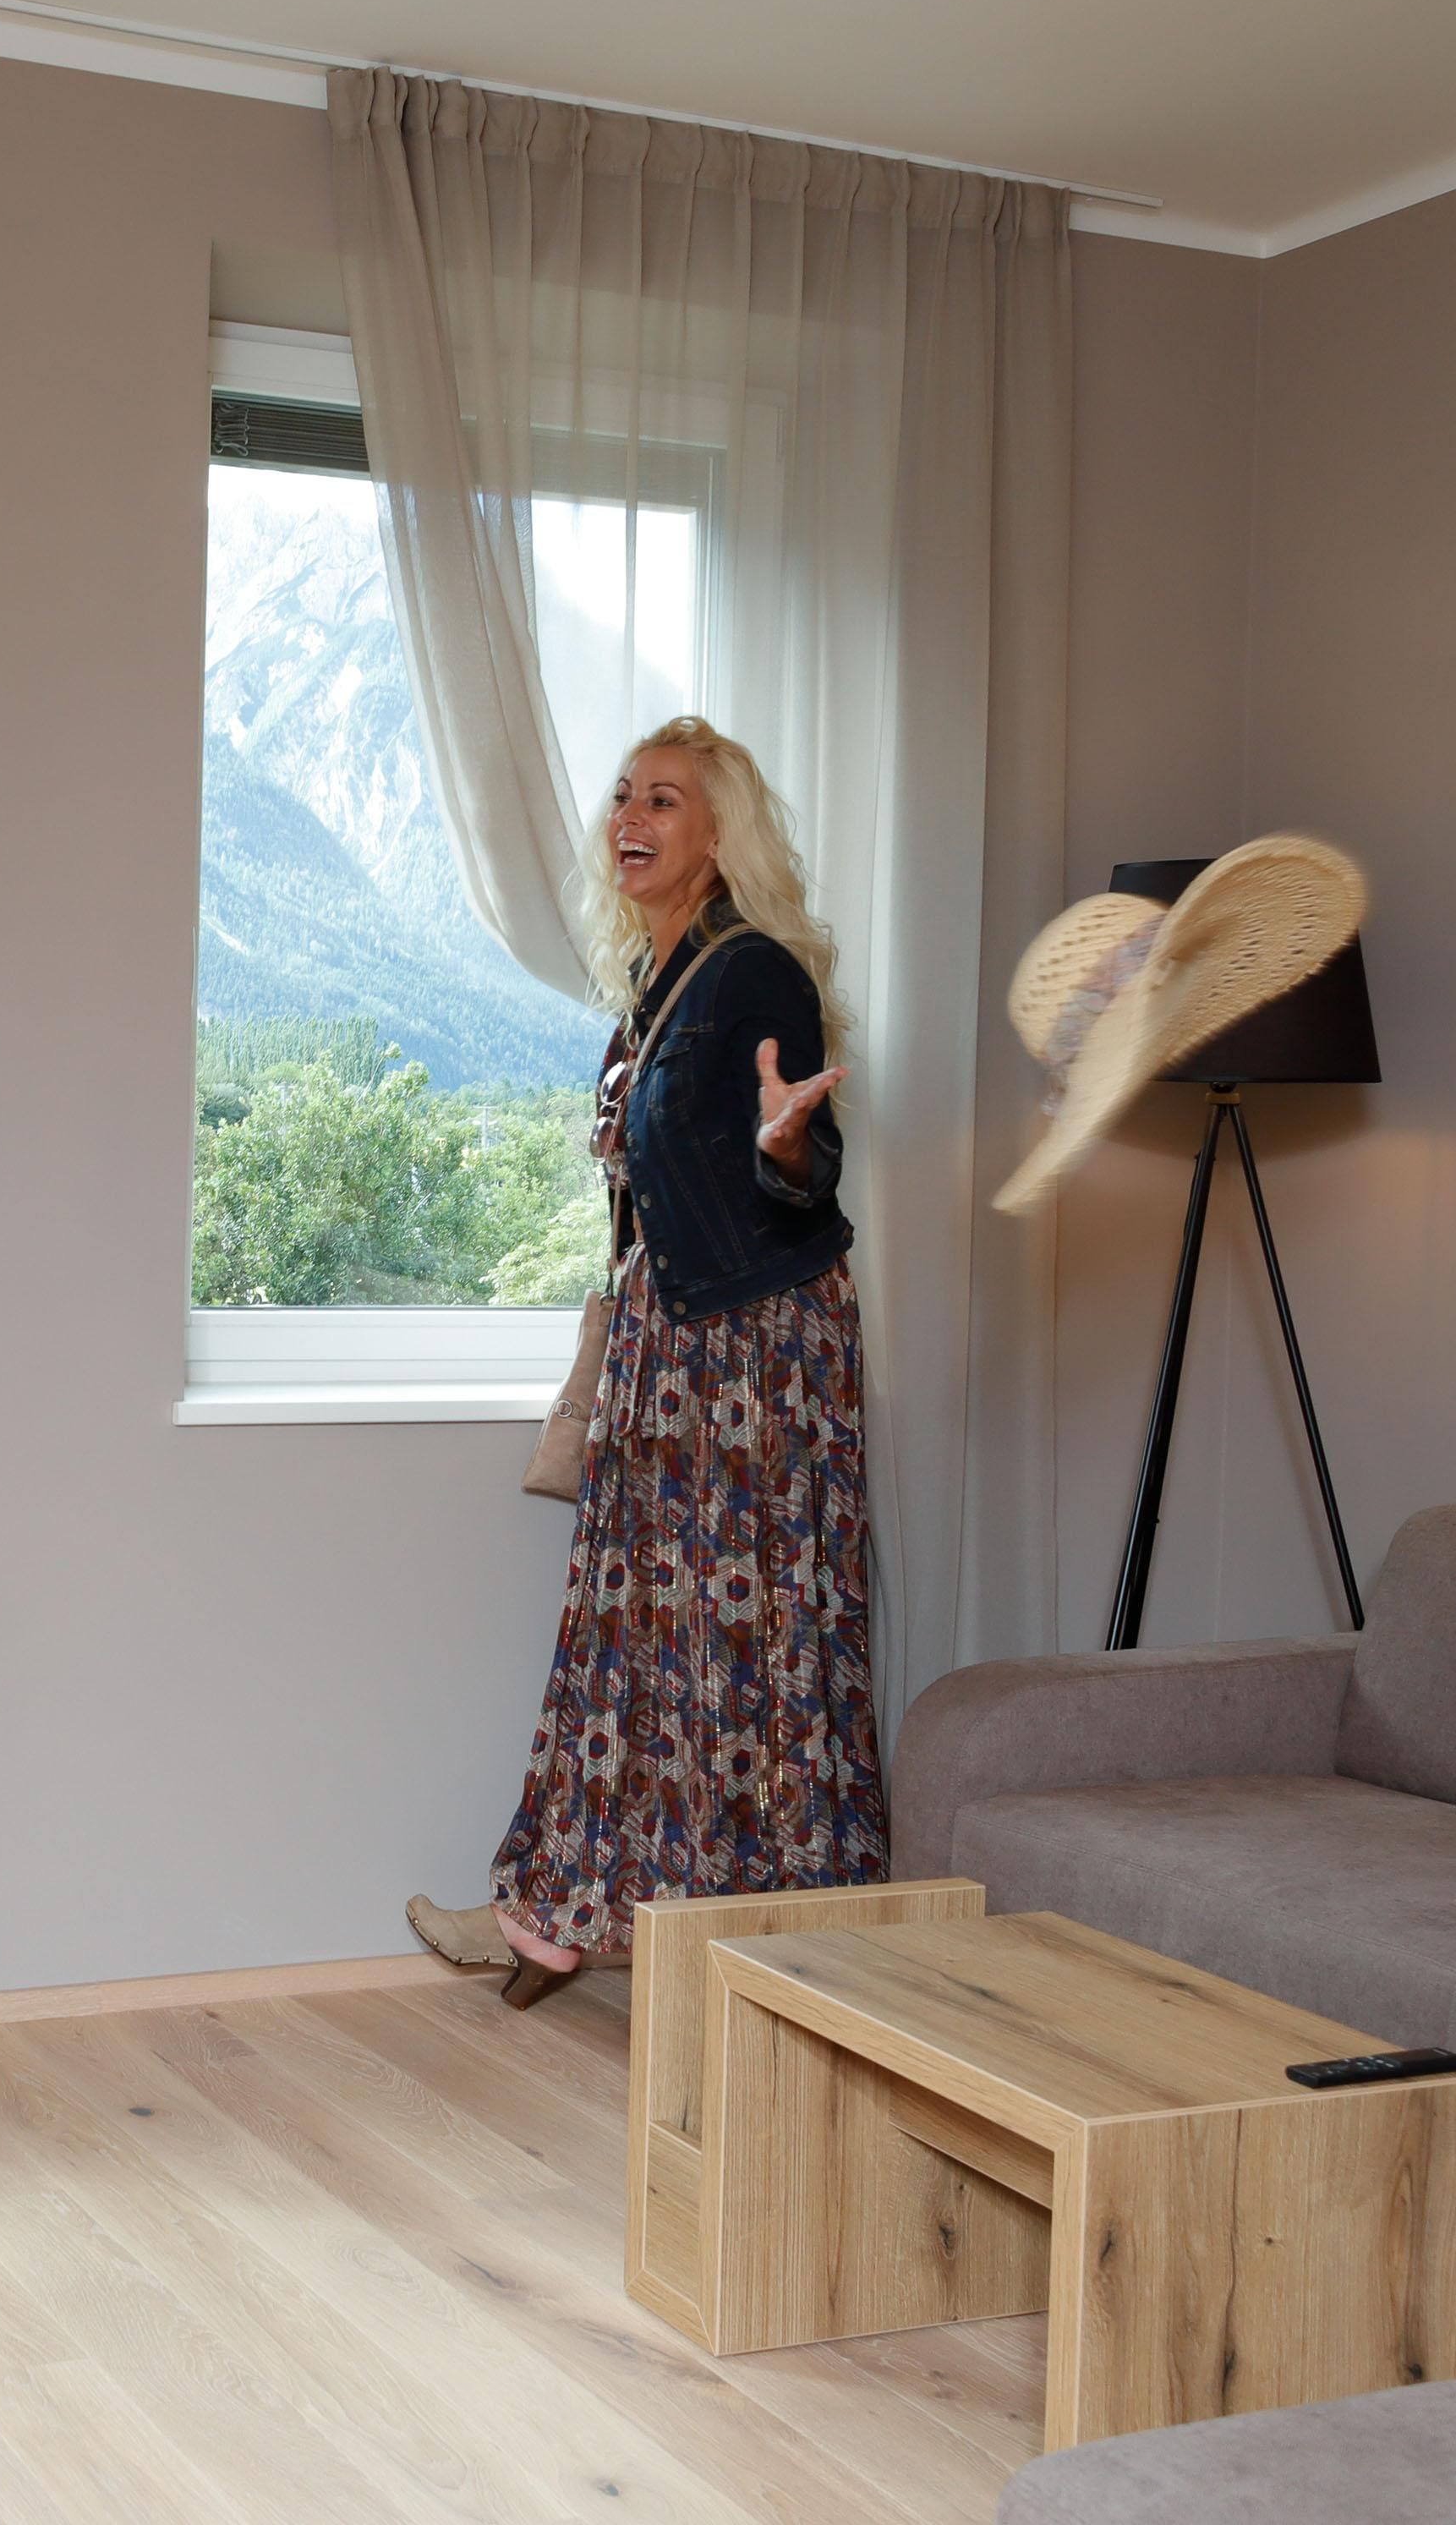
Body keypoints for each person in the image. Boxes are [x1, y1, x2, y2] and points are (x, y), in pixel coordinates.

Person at [412, 718, 887, 2007]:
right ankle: (566, 1904)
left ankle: (738, 1918)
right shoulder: (657, 976)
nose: (631, 815)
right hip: (672, 1340)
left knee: (735, 1643)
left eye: (665, 800)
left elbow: (808, 1166)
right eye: (625, 794)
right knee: (635, 1635)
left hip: (753, 1357)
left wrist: (786, 1143)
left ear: (720, 836)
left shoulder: (755, 974)